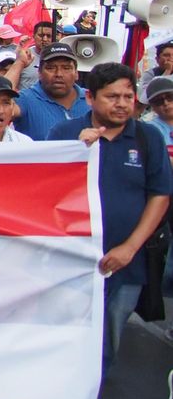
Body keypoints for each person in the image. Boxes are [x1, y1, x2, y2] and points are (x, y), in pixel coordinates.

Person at [48, 63, 171, 382]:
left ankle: (94, 388)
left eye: (128, 96)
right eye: (111, 96)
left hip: (125, 265)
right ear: (90, 99)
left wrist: (130, 248)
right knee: (68, 338)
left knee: (108, 342)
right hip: (72, 262)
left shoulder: (148, 137)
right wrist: (77, 151)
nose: (121, 104)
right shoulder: (64, 134)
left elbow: (160, 195)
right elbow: (45, 192)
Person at [5, 42, 89, 140]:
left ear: (76, 74)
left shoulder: (92, 99)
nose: (59, 74)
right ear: (39, 72)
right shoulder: (26, 99)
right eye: (51, 68)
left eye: (66, 68)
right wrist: (19, 63)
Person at [138, 41, 173, 105]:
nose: (171, 58)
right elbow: (145, 98)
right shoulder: (151, 74)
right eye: (166, 55)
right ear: (157, 59)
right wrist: (167, 72)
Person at [144, 76, 173, 145]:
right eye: (158, 101)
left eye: (170, 97)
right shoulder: (149, 129)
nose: (166, 103)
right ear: (152, 106)